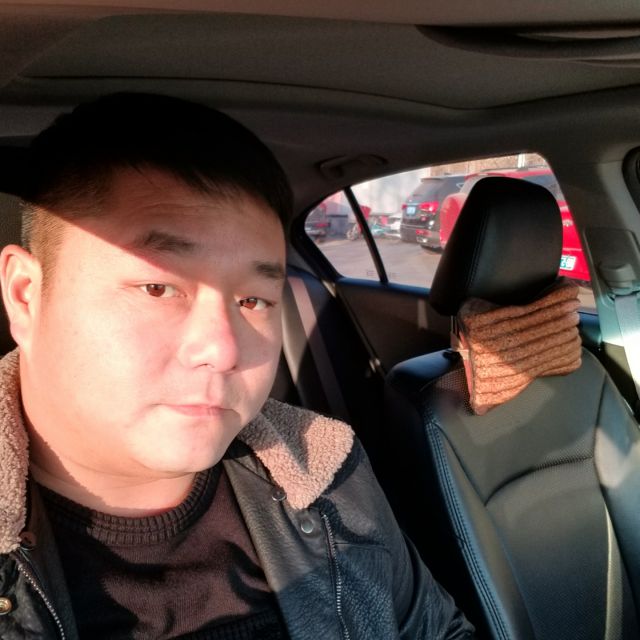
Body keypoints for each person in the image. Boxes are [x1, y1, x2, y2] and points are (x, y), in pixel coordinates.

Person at [0, 92, 474, 639]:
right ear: (26, 296)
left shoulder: (325, 470)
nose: (224, 350)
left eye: (253, 301)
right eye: (158, 288)